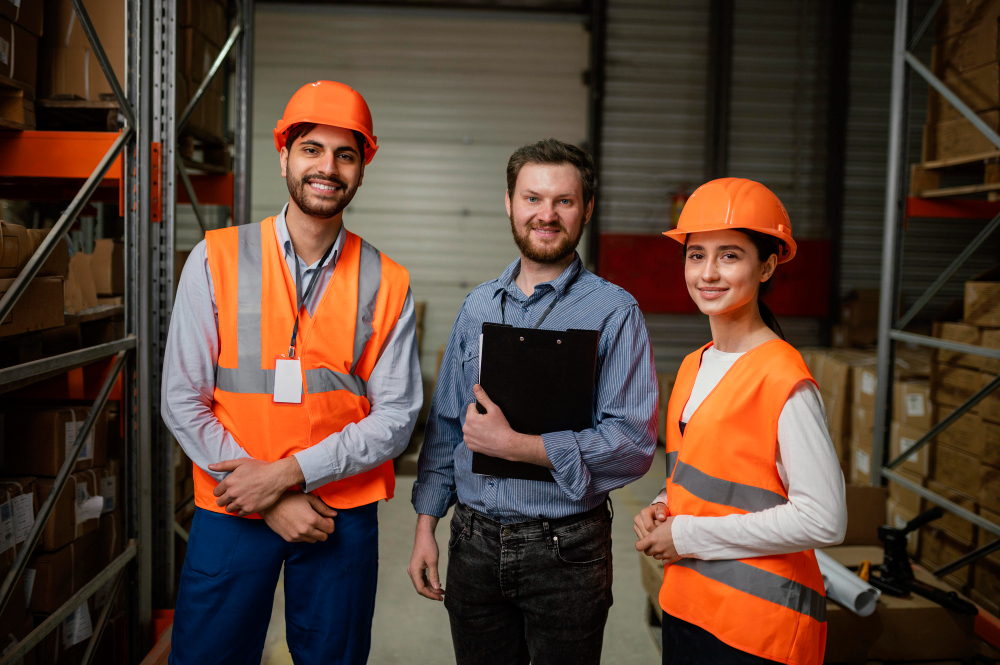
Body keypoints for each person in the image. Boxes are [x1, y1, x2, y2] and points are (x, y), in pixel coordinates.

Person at [161, 80, 422, 665]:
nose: (327, 167)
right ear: (283, 157)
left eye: (345, 154)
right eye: (312, 149)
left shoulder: (387, 280)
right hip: (234, 504)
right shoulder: (216, 258)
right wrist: (262, 498)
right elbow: (181, 397)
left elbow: (397, 417)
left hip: (338, 516)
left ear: (361, 170)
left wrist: (286, 477)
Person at [408, 138, 658, 665]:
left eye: (564, 201)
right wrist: (426, 526)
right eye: (532, 198)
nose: (547, 215)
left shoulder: (614, 312)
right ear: (509, 203)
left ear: (586, 208)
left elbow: (633, 443)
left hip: (566, 551)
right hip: (471, 545)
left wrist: (518, 446)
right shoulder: (477, 306)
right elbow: (448, 427)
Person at [633, 177, 847, 665]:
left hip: (759, 630)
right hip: (687, 606)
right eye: (696, 254)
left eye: (729, 255)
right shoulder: (693, 365)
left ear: (767, 266)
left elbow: (825, 518)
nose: (708, 272)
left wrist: (685, 537)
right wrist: (665, 504)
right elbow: (710, 471)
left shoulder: (782, 377)